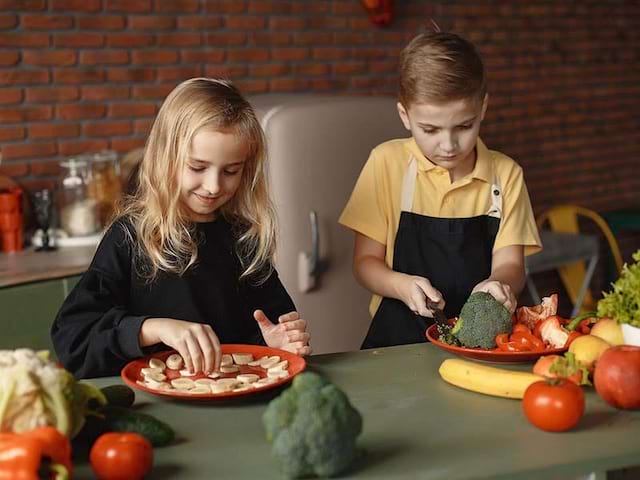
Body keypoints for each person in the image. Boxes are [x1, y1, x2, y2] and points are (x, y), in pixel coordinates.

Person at [52, 78, 311, 378]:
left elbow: (269, 338)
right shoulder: (130, 237)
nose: (214, 186)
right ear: (166, 157)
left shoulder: (245, 240)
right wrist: (151, 328)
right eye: (197, 167)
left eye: (230, 171)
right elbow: (74, 340)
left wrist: (277, 344)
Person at [339, 31, 541, 349]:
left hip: (482, 344)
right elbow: (365, 263)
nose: (448, 145)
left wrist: (498, 283)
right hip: (396, 341)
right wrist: (401, 285)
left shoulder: (506, 175)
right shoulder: (386, 163)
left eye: (464, 126)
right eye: (430, 130)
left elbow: (513, 265)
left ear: (483, 109)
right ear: (405, 115)